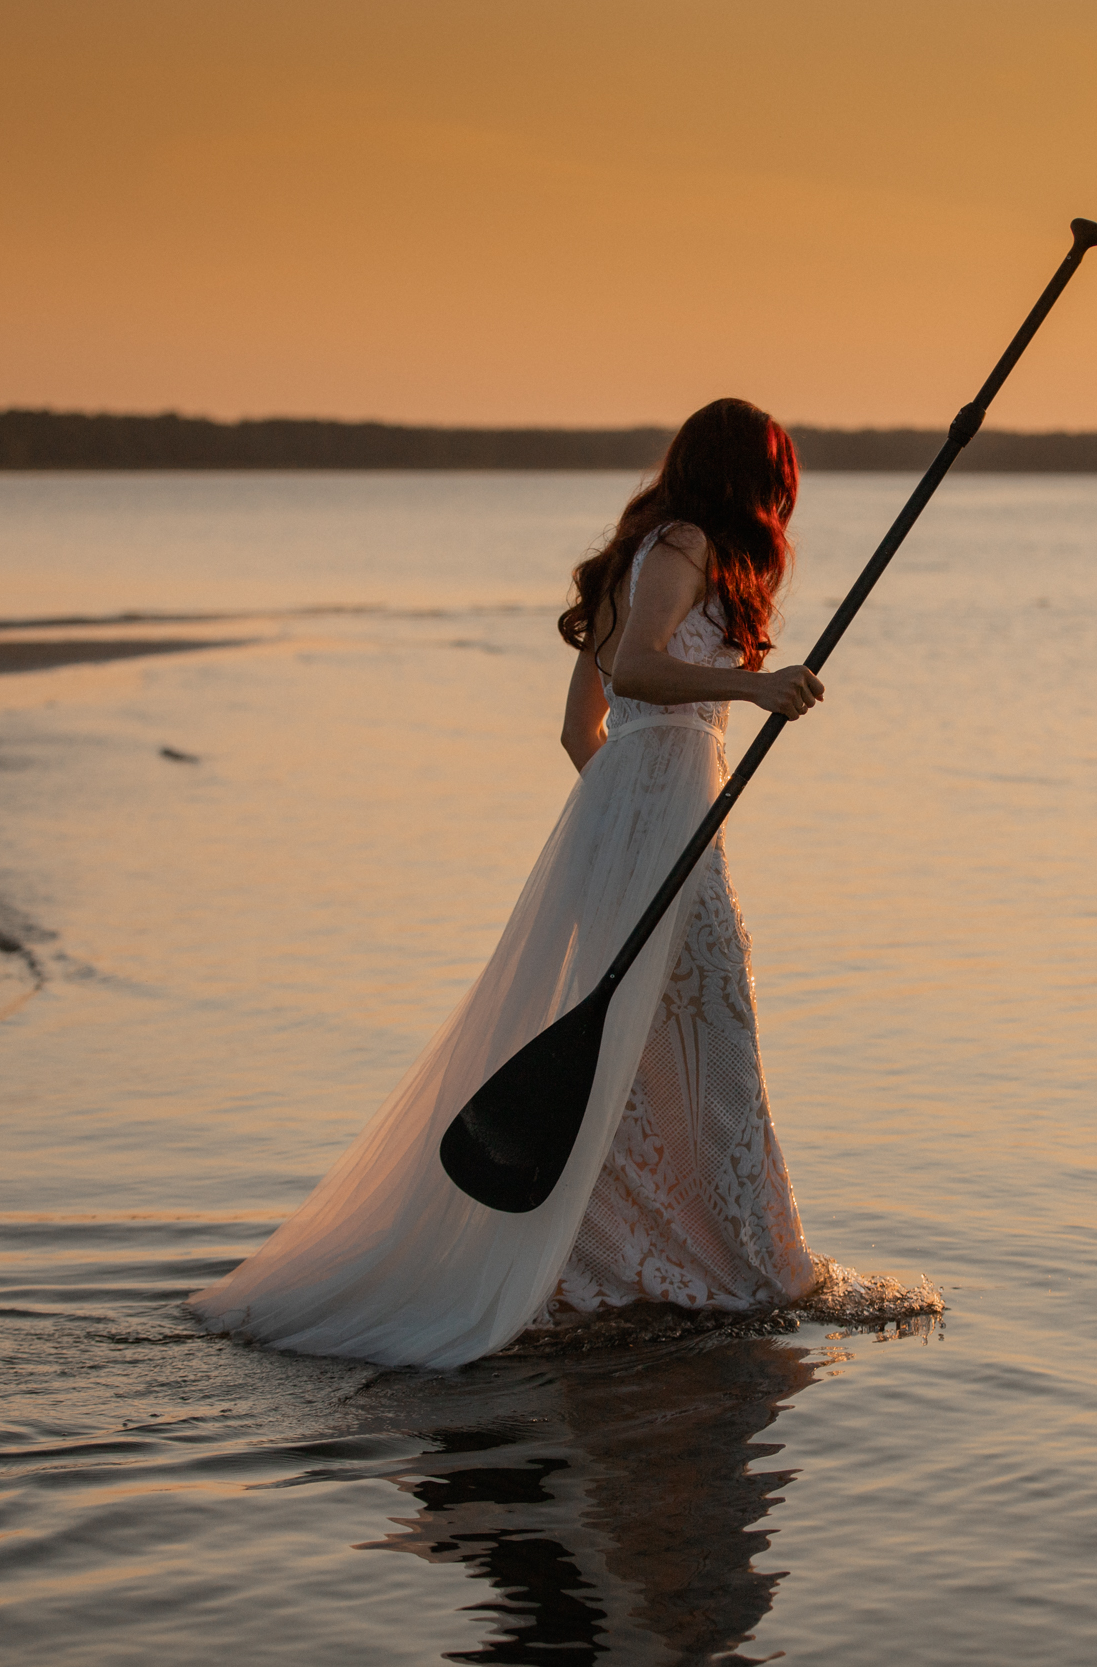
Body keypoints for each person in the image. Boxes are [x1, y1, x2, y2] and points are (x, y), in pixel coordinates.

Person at [191, 399, 927, 1366]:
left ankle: (638, 1262)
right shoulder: (686, 544)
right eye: (779, 478)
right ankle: (753, 1269)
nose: (783, 501)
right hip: (655, 836)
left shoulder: (643, 548)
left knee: (644, 1059)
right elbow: (634, 669)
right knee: (716, 1038)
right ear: (749, 477)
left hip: (630, 833)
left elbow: (582, 731)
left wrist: (628, 817)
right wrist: (749, 691)